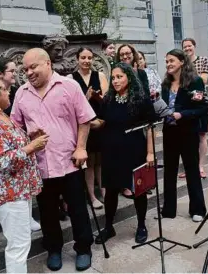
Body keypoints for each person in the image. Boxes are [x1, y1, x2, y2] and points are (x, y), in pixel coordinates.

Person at [11, 48, 95, 271]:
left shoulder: (69, 86)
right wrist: (28, 138)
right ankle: (54, 249)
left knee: (77, 209)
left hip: (69, 161)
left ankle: (84, 248)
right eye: (25, 69)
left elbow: (84, 119)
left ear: (47, 63)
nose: (28, 72)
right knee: (47, 212)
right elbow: (15, 127)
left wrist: (81, 148)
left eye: (33, 67)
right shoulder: (21, 93)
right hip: (39, 166)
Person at [0, 75, 46, 273]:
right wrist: (32, 147)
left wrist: (30, 138)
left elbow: (8, 145)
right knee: (18, 246)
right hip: (8, 193)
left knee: (21, 243)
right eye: (3, 89)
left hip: (18, 189)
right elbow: (1, 161)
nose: (9, 91)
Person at [91, 62, 156, 244]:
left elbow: (150, 127)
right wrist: (85, 121)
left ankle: (141, 225)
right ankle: (109, 227)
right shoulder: (109, 100)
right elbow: (102, 122)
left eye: (120, 77)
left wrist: (150, 153)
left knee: (138, 190)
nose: (115, 81)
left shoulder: (141, 99)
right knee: (111, 191)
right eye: (113, 78)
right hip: (111, 151)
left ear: (129, 77)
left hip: (134, 150)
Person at [0, 56, 43, 231]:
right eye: (11, 71)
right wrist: (30, 146)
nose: (16, 74)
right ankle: (23, 220)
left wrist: (28, 134)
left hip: (20, 163)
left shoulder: (12, 94)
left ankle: (27, 218)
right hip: (8, 170)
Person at [160, 49, 207, 222]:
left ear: (181, 61)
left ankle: (198, 210)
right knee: (169, 171)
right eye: (166, 61)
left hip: (187, 132)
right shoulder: (165, 84)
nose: (168, 64)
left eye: (171, 60)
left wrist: (182, 115)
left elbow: (201, 108)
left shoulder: (194, 81)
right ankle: (168, 209)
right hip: (169, 132)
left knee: (192, 170)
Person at [67, 47, 109, 209]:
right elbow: (71, 105)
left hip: (100, 123)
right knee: (90, 163)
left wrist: (98, 98)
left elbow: (107, 100)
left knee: (101, 161)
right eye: (83, 57)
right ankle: (92, 196)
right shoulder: (71, 79)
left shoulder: (100, 76)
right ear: (77, 59)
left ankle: (104, 192)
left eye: (89, 57)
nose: (86, 61)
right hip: (85, 125)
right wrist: (86, 98)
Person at [115, 44, 151, 199]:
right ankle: (125, 184)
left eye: (127, 53)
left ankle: (142, 181)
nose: (125, 56)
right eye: (122, 54)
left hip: (138, 114)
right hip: (123, 114)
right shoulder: (116, 71)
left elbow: (146, 92)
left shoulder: (141, 72)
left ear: (133, 54)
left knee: (140, 151)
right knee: (124, 154)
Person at [181, 38, 208, 179]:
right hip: (186, 104)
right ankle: (190, 167)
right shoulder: (181, 64)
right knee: (188, 136)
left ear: (194, 46)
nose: (187, 49)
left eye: (189, 46)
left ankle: (200, 166)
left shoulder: (202, 60)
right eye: (185, 47)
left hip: (199, 102)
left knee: (202, 135)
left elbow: (203, 80)